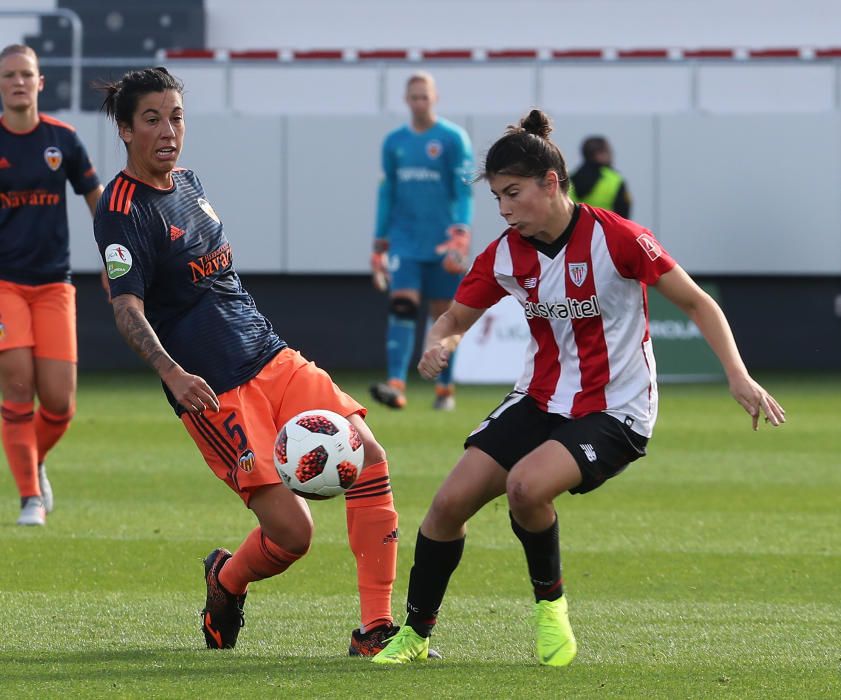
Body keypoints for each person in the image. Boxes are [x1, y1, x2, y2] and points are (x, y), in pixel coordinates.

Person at [373, 109, 786, 666]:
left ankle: (551, 614)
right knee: (446, 506)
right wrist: (442, 342)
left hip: (618, 408)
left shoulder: (618, 238)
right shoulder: (504, 255)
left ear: (551, 183)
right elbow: (453, 319)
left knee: (525, 487)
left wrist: (738, 376)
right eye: (496, 197)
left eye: (513, 193)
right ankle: (416, 636)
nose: (503, 209)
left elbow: (696, 302)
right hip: (540, 397)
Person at [93, 67, 410, 656]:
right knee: (292, 537)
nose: (169, 131)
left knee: (370, 455)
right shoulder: (120, 210)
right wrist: (172, 373)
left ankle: (375, 629)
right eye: (153, 119)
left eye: (177, 116)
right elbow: (127, 308)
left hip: (272, 356)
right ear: (126, 129)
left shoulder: (189, 182)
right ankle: (227, 579)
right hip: (215, 390)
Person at [0, 44, 103, 526]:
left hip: (54, 284)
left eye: (26, 74)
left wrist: (114, 257)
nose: (18, 82)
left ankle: (33, 460)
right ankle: (29, 499)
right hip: (5, 284)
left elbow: (95, 198)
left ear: (40, 83)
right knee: (18, 384)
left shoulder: (63, 139)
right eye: (9, 76)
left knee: (60, 403)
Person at [369, 71, 474, 411]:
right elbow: (387, 192)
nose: (419, 103)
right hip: (404, 240)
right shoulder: (393, 142)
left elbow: (463, 190)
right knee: (402, 306)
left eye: (424, 97)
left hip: (442, 241)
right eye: (414, 97)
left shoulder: (452, 138)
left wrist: (461, 230)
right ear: (406, 99)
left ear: (435, 98)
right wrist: (380, 240)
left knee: (443, 315)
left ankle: (444, 389)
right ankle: (396, 385)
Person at [569, 135, 631, 218]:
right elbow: (623, 215)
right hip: (606, 229)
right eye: (608, 152)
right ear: (599, 154)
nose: (611, 156)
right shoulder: (614, 180)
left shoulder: (568, 180)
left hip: (577, 230)